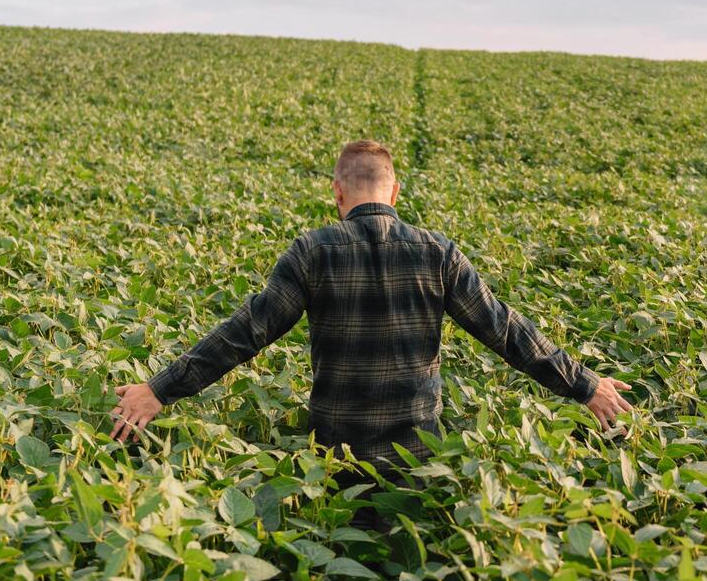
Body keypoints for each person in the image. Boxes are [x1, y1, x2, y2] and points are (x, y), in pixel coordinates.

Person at [108, 140, 635, 490]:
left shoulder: (313, 252)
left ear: (337, 192)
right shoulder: (438, 253)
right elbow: (506, 330)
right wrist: (584, 384)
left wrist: (158, 389)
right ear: (395, 192)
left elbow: (247, 332)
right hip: (416, 458)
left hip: (336, 459)